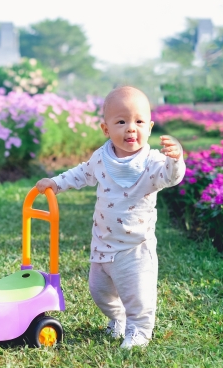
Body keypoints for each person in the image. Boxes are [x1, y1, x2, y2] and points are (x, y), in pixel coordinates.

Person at [35, 86, 185, 349]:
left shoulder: (152, 162)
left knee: (137, 294)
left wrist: (176, 160)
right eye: (121, 121)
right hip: (102, 243)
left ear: (149, 127)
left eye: (139, 122)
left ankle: (139, 330)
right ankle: (119, 318)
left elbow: (171, 178)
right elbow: (80, 174)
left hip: (134, 248)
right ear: (106, 129)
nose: (130, 128)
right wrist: (56, 183)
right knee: (100, 291)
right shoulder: (101, 158)